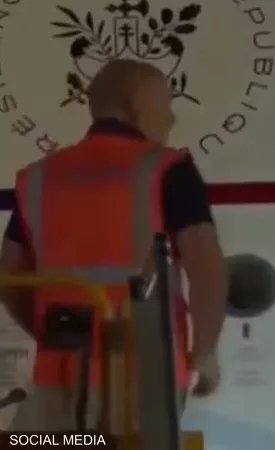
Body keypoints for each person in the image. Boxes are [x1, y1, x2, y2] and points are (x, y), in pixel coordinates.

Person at [0, 59, 228, 430]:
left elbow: (10, 274)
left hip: (59, 373)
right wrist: (205, 352)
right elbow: (206, 267)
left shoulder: (39, 176)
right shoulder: (167, 169)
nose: (171, 118)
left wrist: (46, 333)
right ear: (138, 102)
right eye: (165, 103)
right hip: (145, 373)